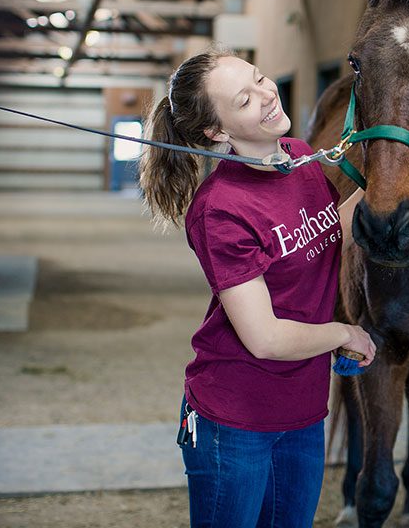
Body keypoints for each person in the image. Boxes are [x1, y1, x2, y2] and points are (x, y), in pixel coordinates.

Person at [139, 45, 376, 528]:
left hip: (303, 409)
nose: (267, 96)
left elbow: (332, 232)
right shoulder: (222, 208)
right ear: (218, 131)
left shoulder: (301, 157)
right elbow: (265, 338)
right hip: (235, 418)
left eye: (260, 79)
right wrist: (344, 334)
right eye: (244, 101)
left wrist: (397, 177)